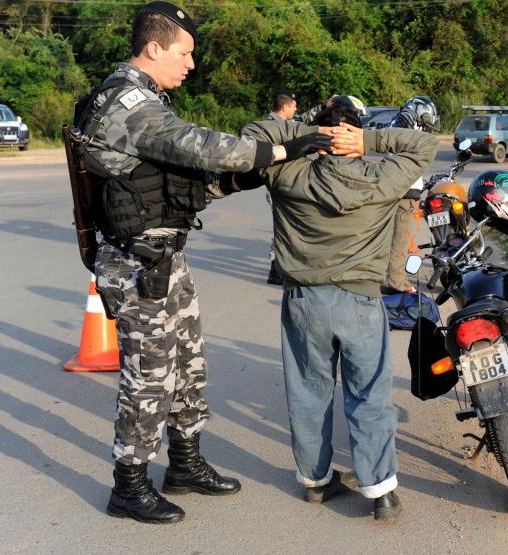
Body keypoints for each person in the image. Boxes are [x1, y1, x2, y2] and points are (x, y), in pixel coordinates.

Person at [76, 1, 337, 524]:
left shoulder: (148, 101)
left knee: (189, 365)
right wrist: (280, 153)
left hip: (164, 257)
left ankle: (185, 463)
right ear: (154, 47)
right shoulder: (127, 103)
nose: (191, 64)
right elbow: (203, 148)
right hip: (136, 264)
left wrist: (248, 176)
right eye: (185, 53)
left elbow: (181, 186)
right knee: (150, 377)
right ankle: (128, 485)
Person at [238, 97, 439, 521]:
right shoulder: (384, 176)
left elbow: (253, 135)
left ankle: (315, 481)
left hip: (304, 302)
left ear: (319, 134)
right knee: (369, 395)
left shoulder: (287, 173)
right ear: (353, 135)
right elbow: (424, 145)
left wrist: (308, 136)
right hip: (361, 301)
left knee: (309, 393)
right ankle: (380, 491)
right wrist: (368, 139)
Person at [383, 95, 440, 294]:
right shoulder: (410, 132)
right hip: (404, 194)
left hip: (393, 190)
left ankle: (388, 277)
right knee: (400, 240)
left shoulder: (396, 127)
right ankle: (396, 282)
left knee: (391, 239)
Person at [266, 89, 298, 285]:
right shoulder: (271, 127)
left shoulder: (284, 124)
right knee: (281, 226)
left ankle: (280, 267)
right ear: (285, 107)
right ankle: (276, 269)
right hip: (277, 182)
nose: (296, 110)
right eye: (294, 107)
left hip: (285, 181)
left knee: (286, 225)